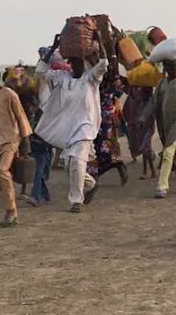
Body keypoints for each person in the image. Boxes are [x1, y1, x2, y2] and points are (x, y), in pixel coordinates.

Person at [35, 36, 108, 212]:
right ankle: (90, 184)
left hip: (85, 126)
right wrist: (53, 47)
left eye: (80, 63)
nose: (77, 66)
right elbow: (40, 72)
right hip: (68, 128)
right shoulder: (62, 77)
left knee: (76, 161)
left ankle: (76, 201)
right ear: (69, 64)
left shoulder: (90, 78)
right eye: (74, 63)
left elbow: (104, 63)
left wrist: (99, 38)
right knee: (70, 165)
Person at [0, 65, 32, 227]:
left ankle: (11, 212)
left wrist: (25, 141)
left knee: (3, 172)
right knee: (1, 174)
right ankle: (9, 207)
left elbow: (20, 116)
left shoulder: (9, 94)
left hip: (11, 138)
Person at [143, 59, 176, 198]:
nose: (169, 69)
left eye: (171, 66)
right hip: (164, 123)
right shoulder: (161, 83)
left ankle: (162, 186)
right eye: (166, 66)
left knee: (168, 152)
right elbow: (154, 102)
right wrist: (144, 115)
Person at [91, 65, 129, 185]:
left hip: (103, 118)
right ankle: (97, 174)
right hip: (101, 117)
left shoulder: (105, 81)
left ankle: (96, 175)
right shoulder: (107, 83)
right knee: (99, 148)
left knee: (101, 149)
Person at [123, 81, 156, 179]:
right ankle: (147, 171)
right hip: (141, 127)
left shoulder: (150, 103)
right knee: (145, 149)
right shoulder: (140, 101)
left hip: (148, 128)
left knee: (146, 148)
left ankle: (149, 171)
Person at [27, 105, 53, 207]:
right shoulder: (32, 121)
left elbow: (48, 143)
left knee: (37, 173)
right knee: (38, 174)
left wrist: (32, 140)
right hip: (35, 150)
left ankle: (35, 197)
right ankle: (45, 195)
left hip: (42, 152)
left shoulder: (46, 125)